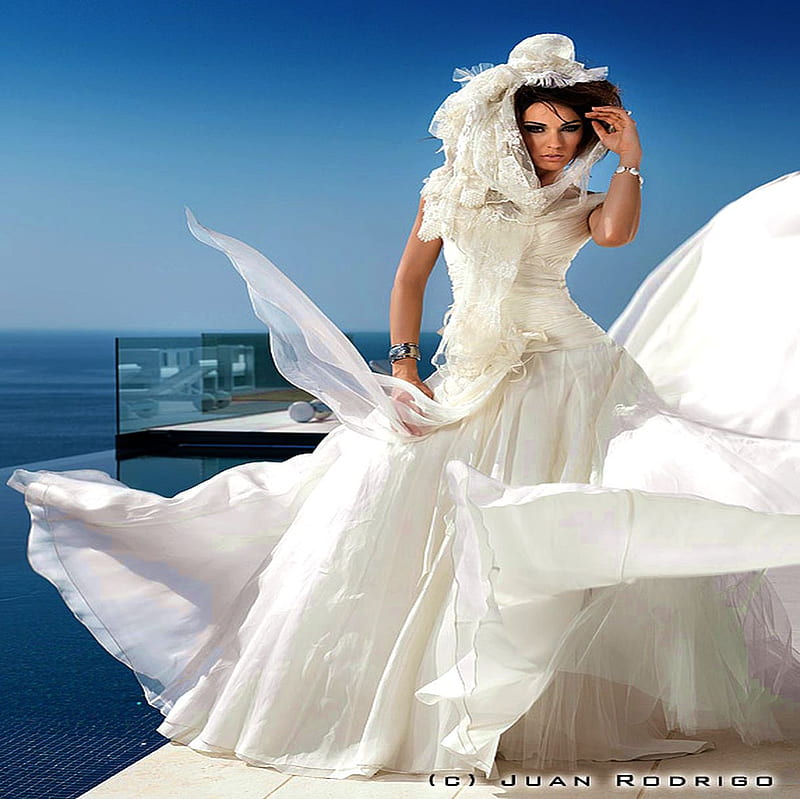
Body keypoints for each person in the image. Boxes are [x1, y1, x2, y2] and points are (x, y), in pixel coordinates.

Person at [7, 33, 800, 782]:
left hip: (576, 373)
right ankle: (421, 700)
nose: (554, 142)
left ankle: (542, 699)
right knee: (399, 510)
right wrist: (405, 366)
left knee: (567, 530)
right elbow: (407, 283)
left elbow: (620, 237)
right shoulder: (449, 191)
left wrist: (631, 158)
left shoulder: (579, 198)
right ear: (506, 124)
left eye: (568, 127)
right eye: (537, 126)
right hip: (477, 379)